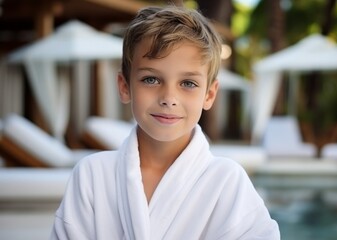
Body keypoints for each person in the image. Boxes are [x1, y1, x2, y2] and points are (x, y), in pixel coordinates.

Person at [50, 5, 280, 240]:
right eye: (151, 79)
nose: (169, 99)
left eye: (188, 83)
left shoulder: (227, 181)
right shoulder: (92, 176)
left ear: (209, 94)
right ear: (124, 86)